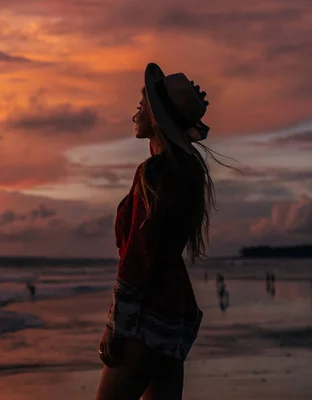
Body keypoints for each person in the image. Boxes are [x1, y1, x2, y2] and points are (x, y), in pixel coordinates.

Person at [96, 63, 236, 400]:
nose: (135, 113)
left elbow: (139, 254)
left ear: (157, 117)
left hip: (148, 315)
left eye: (141, 105)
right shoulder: (186, 172)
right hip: (175, 314)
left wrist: (116, 325)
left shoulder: (154, 173)